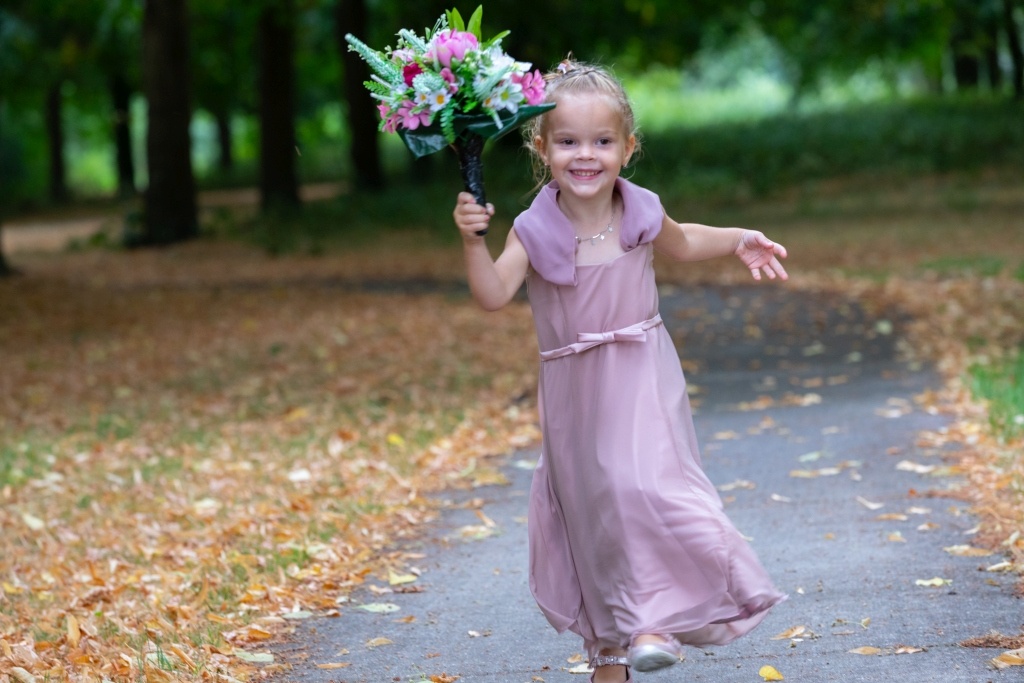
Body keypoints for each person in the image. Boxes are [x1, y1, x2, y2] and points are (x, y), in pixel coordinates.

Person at [452, 58, 788, 683]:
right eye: (569, 141)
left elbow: (685, 240)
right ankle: (612, 652)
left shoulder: (638, 212)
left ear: (628, 148)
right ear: (541, 145)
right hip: (575, 391)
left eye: (603, 141)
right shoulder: (532, 228)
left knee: (646, 486)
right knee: (596, 514)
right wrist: (473, 241)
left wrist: (740, 237)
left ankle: (653, 621)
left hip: (641, 372)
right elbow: (494, 293)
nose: (587, 155)